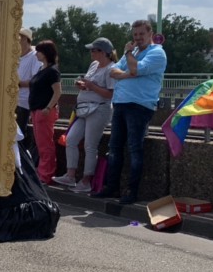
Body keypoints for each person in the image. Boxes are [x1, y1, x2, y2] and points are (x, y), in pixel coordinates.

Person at [92, 18, 167, 204]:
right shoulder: (132, 53)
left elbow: (134, 68)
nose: (138, 38)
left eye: (142, 34)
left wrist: (127, 56)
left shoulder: (157, 53)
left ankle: (132, 192)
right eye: (135, 35)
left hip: (140, 105)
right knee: (114, 148)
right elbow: (113, 71)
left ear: (150, 34)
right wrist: (128, 73)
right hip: (120, 103)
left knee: (134, 148)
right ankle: (112, 188)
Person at [54, 37, 116, 193]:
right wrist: (82, 84)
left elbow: (110, 94)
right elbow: (89, 84)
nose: (91, 52)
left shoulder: (111, 69)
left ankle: (86, 180)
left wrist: (91, 86)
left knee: (90, 145)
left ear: (103, 52)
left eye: (94, 50)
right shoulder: (94, 65)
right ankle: (70, 175)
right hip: (84, 108)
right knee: (71, 139)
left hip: (99, 109)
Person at [27, 40, 61, 184]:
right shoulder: (42, 69)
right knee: (41, 144)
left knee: (45, 144)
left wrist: (48, 107)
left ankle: (46, 174)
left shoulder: (52, 71)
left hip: (44, 111)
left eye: (39, 51)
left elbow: (58, 91)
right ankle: (42, 172)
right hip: (37, 110)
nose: (37, 54)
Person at [15, 28, 41, 161]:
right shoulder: (15, 55)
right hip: (13, 100)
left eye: (18, 37)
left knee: (20, 134)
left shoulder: (35, 56)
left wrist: (16, 83)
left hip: (24, 102)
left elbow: (36, 81)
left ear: (25, 39)